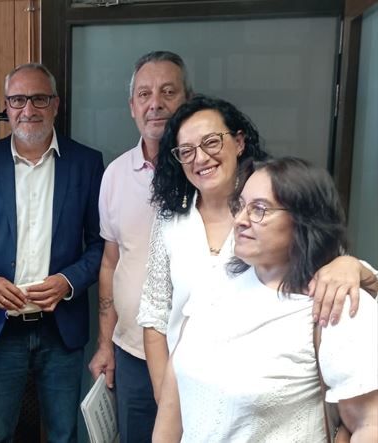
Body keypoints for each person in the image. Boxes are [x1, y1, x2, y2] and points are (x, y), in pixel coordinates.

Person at [136, 95, 378, 403]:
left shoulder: (282, 208)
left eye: (211, 142)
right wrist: (167, 400)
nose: (200, 158)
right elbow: (156, 317)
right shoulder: (171, 220)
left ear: (239, 142)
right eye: (186, 151)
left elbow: (350, 283)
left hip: (265, 395)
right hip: (188, 386)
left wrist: (351, 266)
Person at [152, 157, 378, 441]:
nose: (240, 220)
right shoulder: (219, 279)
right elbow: (176, 380)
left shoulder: (335, 304)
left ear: (305, 220)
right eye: (241, 205)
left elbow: (370, 425)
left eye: (259, 209)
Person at [0, 63, 104, 442]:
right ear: (7, 106)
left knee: (63, 434)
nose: (28, 108)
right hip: (0, 329)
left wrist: (69, 280)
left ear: (55, 104)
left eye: (39, 98)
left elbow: (101, 243)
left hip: (62, 328)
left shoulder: (86, 163)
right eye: (18, 99)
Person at [87, 51, 190, 443]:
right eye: (144, 94)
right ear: (132, 107)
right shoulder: (115, 175)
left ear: (187, 99)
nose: (155, 103)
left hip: (195, 355)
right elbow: (111, 263)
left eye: (168, 92)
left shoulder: (206, 172)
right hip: (131, 352)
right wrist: (104, 345)